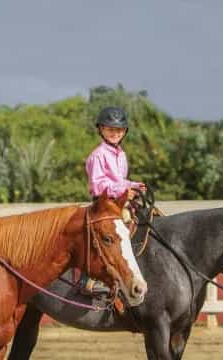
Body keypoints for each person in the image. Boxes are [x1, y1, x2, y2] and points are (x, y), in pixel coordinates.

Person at [80, 106, 146, 296]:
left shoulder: (121, 154)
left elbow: (118, 180)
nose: (115, 133)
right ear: (100, 129)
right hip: (104, 205)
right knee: (110, 234)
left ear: (124, 132)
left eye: (119, 130)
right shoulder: (98, 155)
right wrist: (124, 190)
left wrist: (134, 185)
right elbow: (98, 186)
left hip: (118, 203)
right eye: (110, 129)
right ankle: (89, 280)